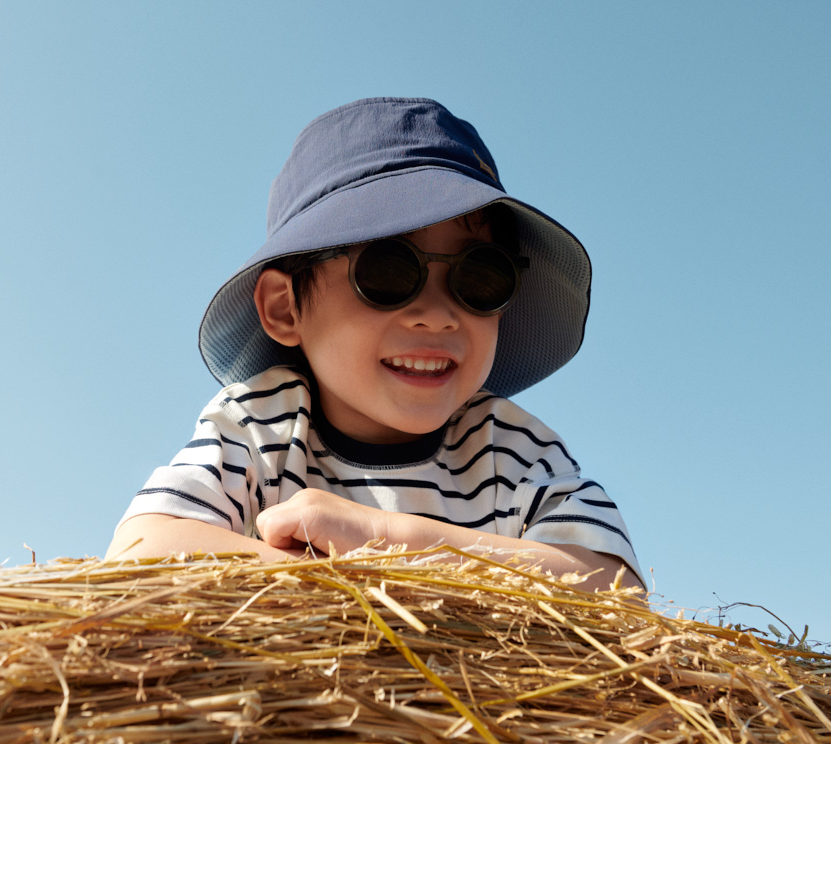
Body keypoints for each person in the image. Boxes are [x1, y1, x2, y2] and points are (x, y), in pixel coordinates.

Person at [107, 97, 643, 591]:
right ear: (285, 307)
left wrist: (388, 540)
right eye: (387, 271)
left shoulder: (508, 448)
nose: (437, 316)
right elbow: (140, 550)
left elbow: (613, 586)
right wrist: (337, 586)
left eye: (481, 277)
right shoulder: (261, 425)